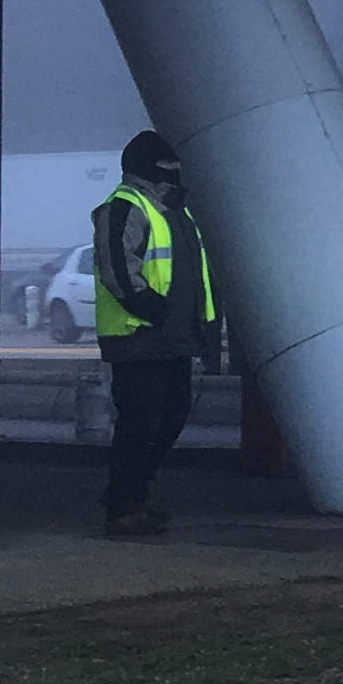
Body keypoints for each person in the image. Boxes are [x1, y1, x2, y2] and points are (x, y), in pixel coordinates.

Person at [90, 128, 217, 535]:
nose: (175, 174)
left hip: (172, 337)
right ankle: (124, 505)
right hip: (137, 337)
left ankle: (130, 496)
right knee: (142, 423)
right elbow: (117, 269)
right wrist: (152, 309)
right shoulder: (127, 207)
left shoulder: (175, 210)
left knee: (170, 417)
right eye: (168, 168)